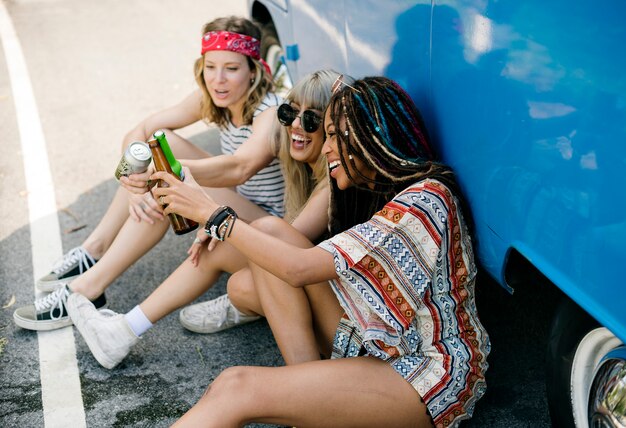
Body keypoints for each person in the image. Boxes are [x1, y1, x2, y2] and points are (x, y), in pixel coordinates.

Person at [69, 76, 491, 427]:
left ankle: (302, 399)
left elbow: (300, 268)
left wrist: (213, 215)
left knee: (237, 386)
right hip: (374, 336)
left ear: (370, 140)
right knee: (269, 231)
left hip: (423, 371)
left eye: (333, 136)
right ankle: (305, 397)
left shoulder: (426, 199)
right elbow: (281, 245)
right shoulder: (367, 190)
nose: (325, 148)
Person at [63, 70, 350, 370]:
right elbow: (146, 128)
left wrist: (219, 223)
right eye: (290, 113)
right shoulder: (300, 159)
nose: (295, 125)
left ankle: (119, 327)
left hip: (330, 298)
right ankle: (114, 314)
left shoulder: (328, 185)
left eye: (311, 120)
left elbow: (281, 240)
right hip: (305, 272)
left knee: (236, 256)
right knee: (237, 280)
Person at [13, 16, 285, 331]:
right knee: (159, 145)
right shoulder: (216, 95)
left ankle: (85, 290)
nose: (218, 80)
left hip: (266, 230)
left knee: (164, 188)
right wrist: (133, 178)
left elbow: (239, 167)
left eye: (232, 69)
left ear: (253, 70)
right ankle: (93, 250)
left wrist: (166, 173)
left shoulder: (270, 113)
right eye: (210, 67)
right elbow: (142, 130)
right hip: (237, 205)